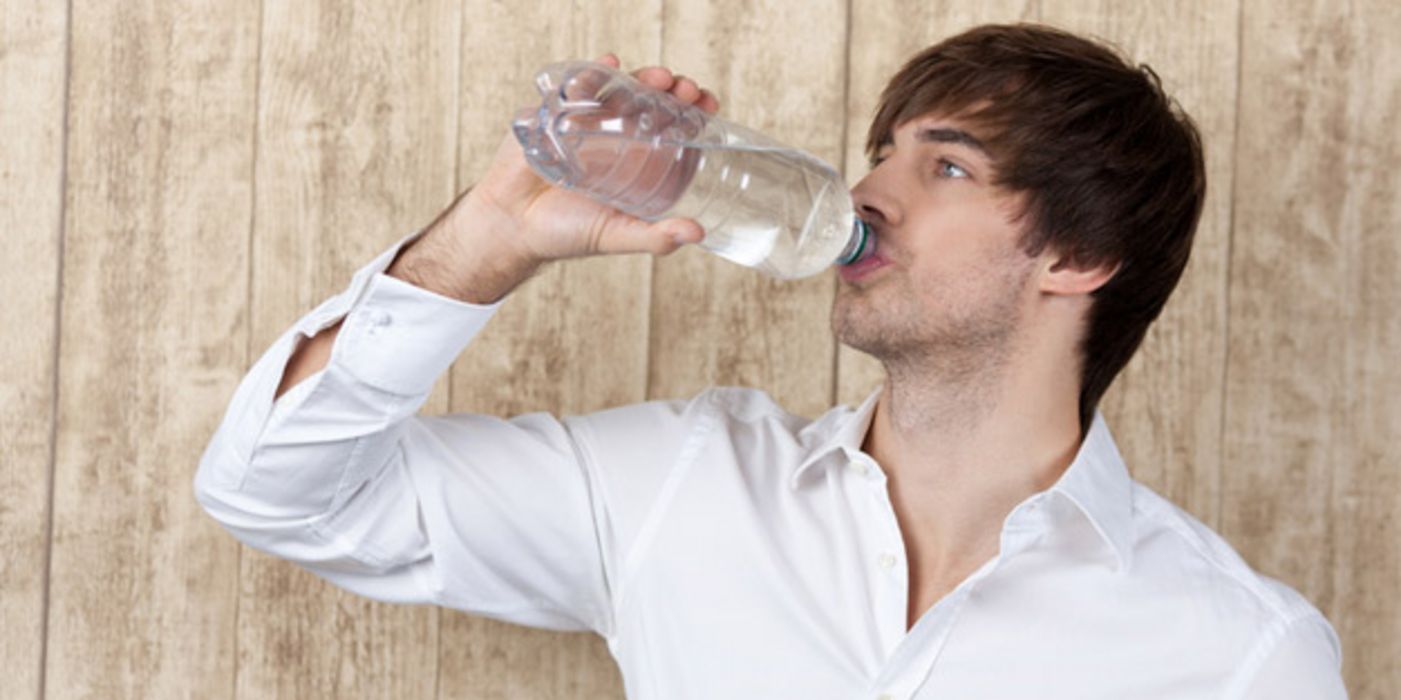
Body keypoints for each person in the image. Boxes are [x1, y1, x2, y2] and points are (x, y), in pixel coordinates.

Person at [195, 23, 1347, 699]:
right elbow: (275, 490)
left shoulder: (1241, 655)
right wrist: (487, 240)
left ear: (1080, 253)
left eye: (943, 168)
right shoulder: (685, 483)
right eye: (879, 153)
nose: (866, 195)